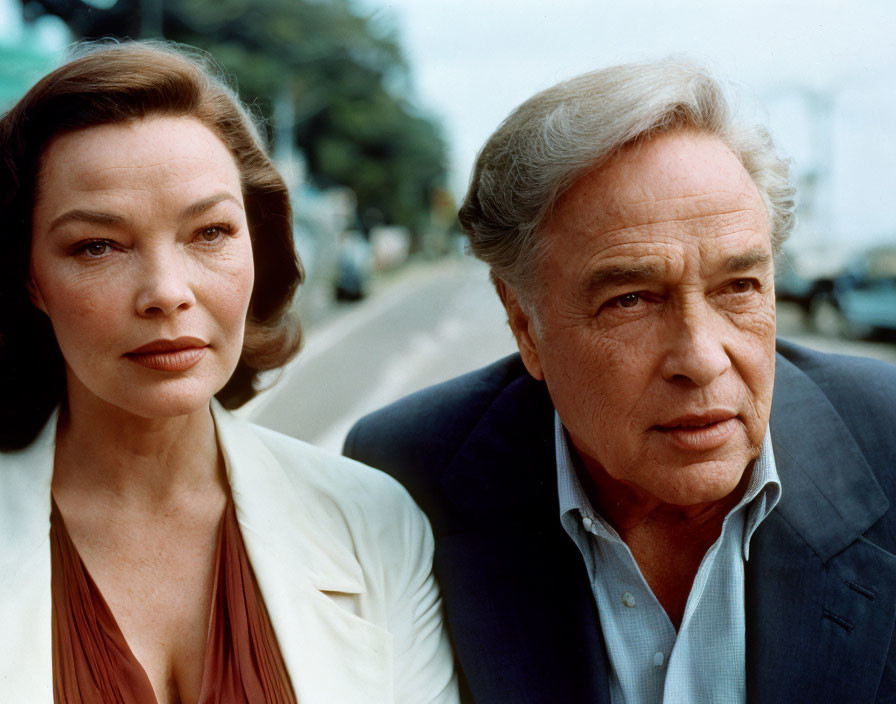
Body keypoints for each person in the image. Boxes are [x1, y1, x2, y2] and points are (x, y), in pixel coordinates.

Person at [345, 58, 896, 703]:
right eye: (632, 299)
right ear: (526, 325)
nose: (703, 358)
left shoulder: (886, 439)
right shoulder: (404, 478)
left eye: (739, 286)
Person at [0, 41, 458, 703]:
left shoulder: (373, 526)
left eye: (209, 232)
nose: (166, 291)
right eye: (97, 245)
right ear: (30, 279)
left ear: (258, 243)